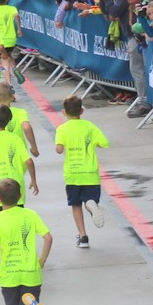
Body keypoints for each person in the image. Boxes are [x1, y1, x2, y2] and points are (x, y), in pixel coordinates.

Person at [54, 95, 110, 249]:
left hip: (73, 173)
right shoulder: (90, 127)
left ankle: (83, 236)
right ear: (82, 111)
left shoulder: (61, 129)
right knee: (90, 199)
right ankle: (91, 204)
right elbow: (104, 143)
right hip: (90, 172)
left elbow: (59, 150)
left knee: (75, 204)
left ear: (64, 112)